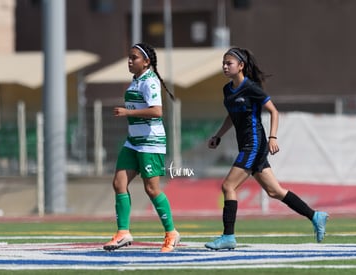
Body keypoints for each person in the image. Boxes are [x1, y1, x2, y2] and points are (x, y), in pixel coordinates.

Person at [204, 47, 329, 250]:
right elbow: (232, 116)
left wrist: (272, 137)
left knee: (228, 187)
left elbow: (274, 111)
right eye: (223, 64)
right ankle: (315, 216)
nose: (225, 67)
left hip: (254, 144)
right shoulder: (227, 90)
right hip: (247, 145)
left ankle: (228, 237)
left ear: (241, 66)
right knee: (275, 191)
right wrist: (218, 135)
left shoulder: (252, 88)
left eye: (229, 63)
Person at [103, 43, 180, 253]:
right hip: (133, 141)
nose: (130, 61)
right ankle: (123, 232)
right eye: (129, 57)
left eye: (134, 58)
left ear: (146, 62)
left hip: (150, 142)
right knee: (119, 183)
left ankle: (171, 232)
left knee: (152, 189)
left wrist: (127, 113)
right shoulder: (136, 80)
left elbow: (157, 111)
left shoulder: (150, 81)